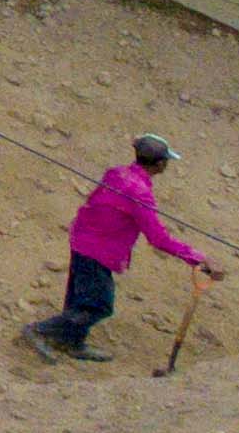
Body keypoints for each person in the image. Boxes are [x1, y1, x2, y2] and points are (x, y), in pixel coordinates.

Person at [27, 134, 212, 360]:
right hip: (99, 249)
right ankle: (40, 331)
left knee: (79, 297)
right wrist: (196, 257)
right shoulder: (140, 192)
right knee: (98, 304)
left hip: (83, 238)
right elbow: (158, 238)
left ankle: (71, 341)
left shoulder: (116, 173)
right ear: (161, 164)